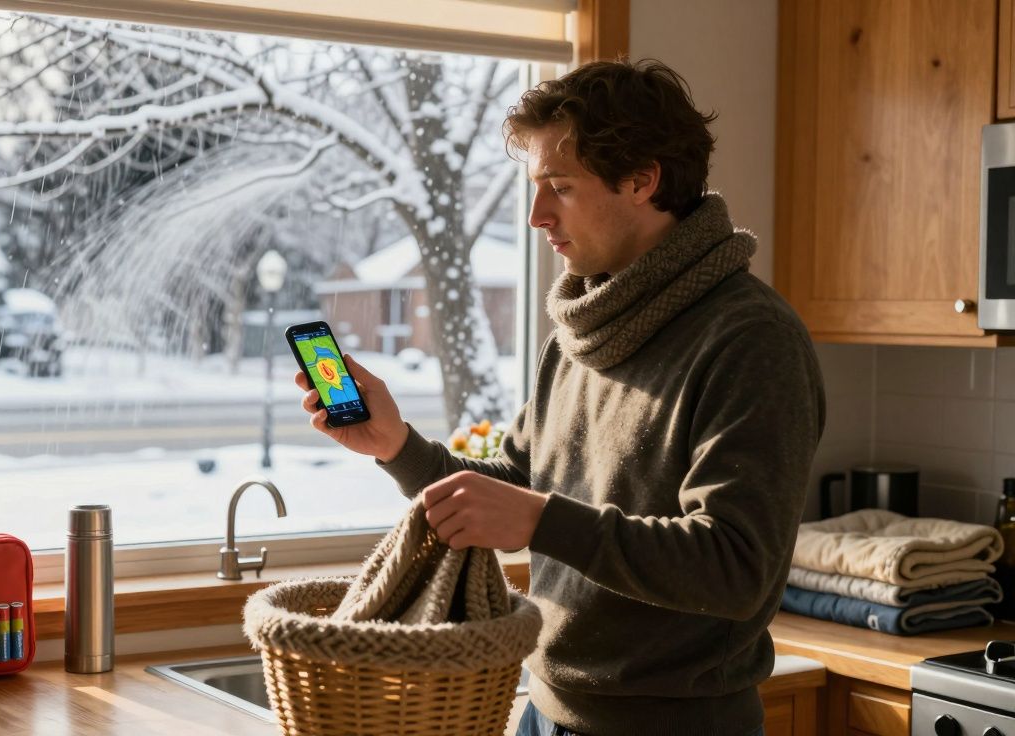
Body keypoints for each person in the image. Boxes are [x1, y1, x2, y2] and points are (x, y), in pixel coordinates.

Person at [295, 58, 824, 736]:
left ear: (643, 180)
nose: (535, 216)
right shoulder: (583, 328)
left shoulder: (751, 339)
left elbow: (734, 565)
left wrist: (543, 521)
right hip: (545, 712)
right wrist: (397, 446)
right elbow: (518, 484)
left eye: (559, 187)